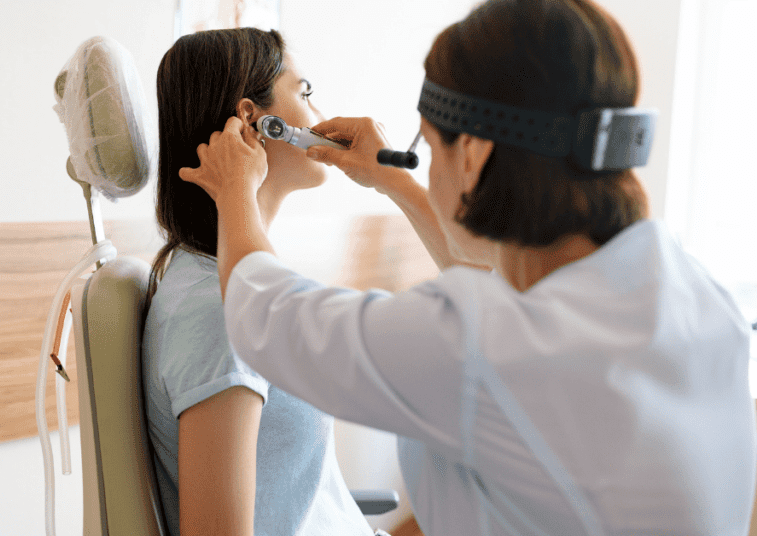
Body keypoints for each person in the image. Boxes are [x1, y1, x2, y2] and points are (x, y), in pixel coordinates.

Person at [178, 1, 757, 535]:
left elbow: (262, 315)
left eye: (429, 147)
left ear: (475, 155)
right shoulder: (700, 300)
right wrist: (393, 178)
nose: (425, 169)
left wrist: (235, 191)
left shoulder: (484, 341)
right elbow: (493, 276)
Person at [141, 28, 378, 536]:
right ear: (254, 120)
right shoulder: (216, 313)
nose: (321, 116)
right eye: (306, 93)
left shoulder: (229, 286)